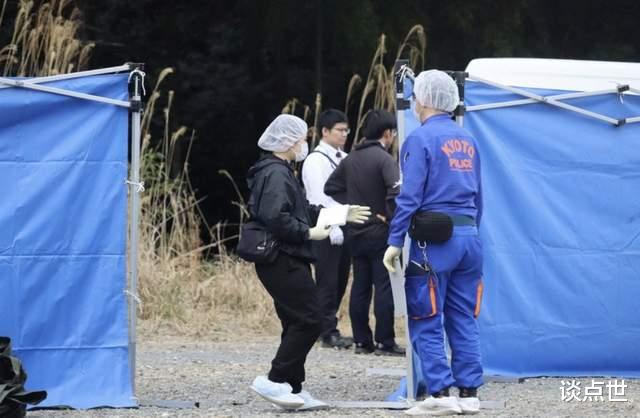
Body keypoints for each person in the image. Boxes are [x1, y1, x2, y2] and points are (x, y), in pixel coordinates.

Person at [246, 114, 371, 410]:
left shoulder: (281, 171)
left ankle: (292, 388)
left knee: (295, 321)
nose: (304, 144)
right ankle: (275, 379)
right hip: (281, 257)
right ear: (288, 142)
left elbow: (303, 210)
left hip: (287, 256)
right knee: (311, 319)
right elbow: (276, 217)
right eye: (301, 139)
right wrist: (307, 233)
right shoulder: (275, 174)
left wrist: (339, 214)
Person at [382, 70, 484, 416]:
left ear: (423, 100)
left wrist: (395, 240)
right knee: (463, 316)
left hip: (435, 242)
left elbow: (409, 196)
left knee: (425, 314)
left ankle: (439, 393)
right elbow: (480, 197)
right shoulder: (468, 140)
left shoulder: (419, 139)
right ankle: (469, 393)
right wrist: (472, 233)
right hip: (470, 238)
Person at [324, 109, 405, 357]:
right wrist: (387, 216)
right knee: (383, 286)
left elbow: (330, 187)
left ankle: (362, 341)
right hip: (379, 231)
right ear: (387, 133)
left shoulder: (350, 159)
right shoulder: (384, 160)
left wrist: (353, 207)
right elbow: (396, 193)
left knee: (360, 286)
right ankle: (385, 341)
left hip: (355, 230)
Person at [301, 109, 353, 349]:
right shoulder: (316, 160)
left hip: (345, 222)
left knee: (340, 278)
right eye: (339, 130)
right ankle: (326, 331)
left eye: (346, 130)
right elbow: (318, 196)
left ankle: (326, 325)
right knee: (327, 280)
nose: (344, 134)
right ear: (325, 131)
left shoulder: (344, 157)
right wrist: (332, 225)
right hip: (325, 225)